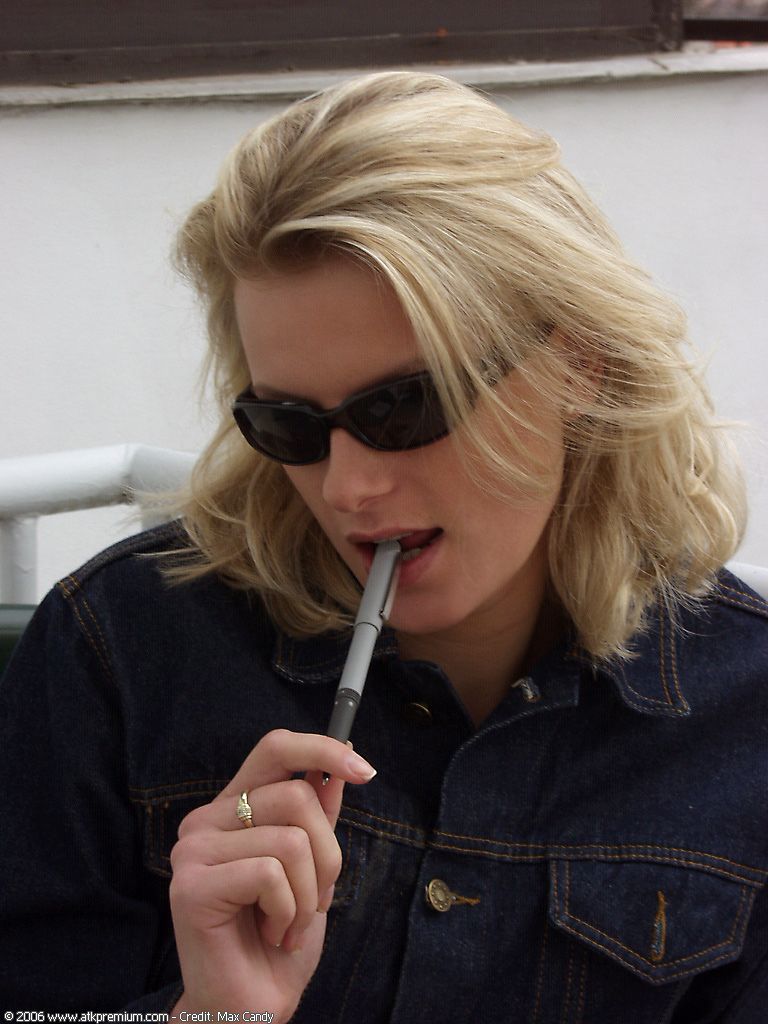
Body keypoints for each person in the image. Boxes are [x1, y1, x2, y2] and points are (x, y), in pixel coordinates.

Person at [1, 70, 767, 1022]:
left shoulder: (745, 713)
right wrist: (211, 1014)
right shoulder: (123, 649)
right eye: (290, 424)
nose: (347, 487)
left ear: (580, 363)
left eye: (404, 406)